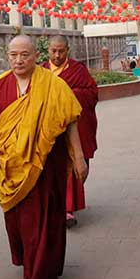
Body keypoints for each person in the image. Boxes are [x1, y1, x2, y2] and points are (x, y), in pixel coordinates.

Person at [0, 35, 87, 279]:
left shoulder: (54, 85)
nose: (18, 60)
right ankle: (31, 263)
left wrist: (79, 157)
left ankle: (47, 276)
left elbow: (70, 122)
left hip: (46, 165)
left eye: (24, 54)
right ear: (7, 56)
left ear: (36, 55)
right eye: (13, 55)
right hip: (11, 166)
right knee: (20, 222)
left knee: (47, 220)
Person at [43, 35, 99, 229]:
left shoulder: (78, 70)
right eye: (53, 51)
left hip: (73, 127)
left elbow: (92, 94)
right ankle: (53, 206)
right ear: (47, 50)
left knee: (72, 162)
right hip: (48, 130)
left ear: (68, 50)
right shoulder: (40, 71)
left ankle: (67, 208)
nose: (57, 55)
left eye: (61, 51)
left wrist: (68, 95)